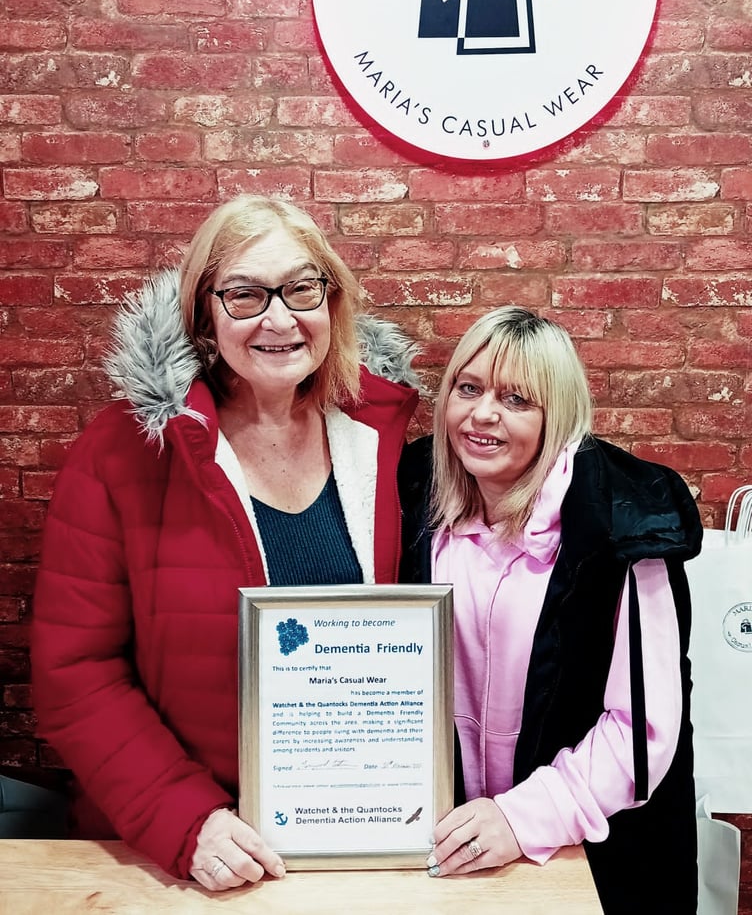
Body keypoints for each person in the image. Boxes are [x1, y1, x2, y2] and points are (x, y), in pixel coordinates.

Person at [32, 194, 420, 891]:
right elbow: (75, 672)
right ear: (205, 314)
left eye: (301, 288)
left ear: (331, 300)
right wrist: (187, 819)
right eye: (244, 294)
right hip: (178, 853)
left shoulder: (379, 436)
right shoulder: (125, 451)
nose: (279, 318)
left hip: (350, 834)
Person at [399, 306, 701, 915]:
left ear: (556, 415)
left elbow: (643, 732)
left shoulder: (627, 524)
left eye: (516, 399)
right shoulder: (417, 497)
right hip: (455, 848)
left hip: (589, 851)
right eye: (469, 388)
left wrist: (521, 818)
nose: (483, 414)